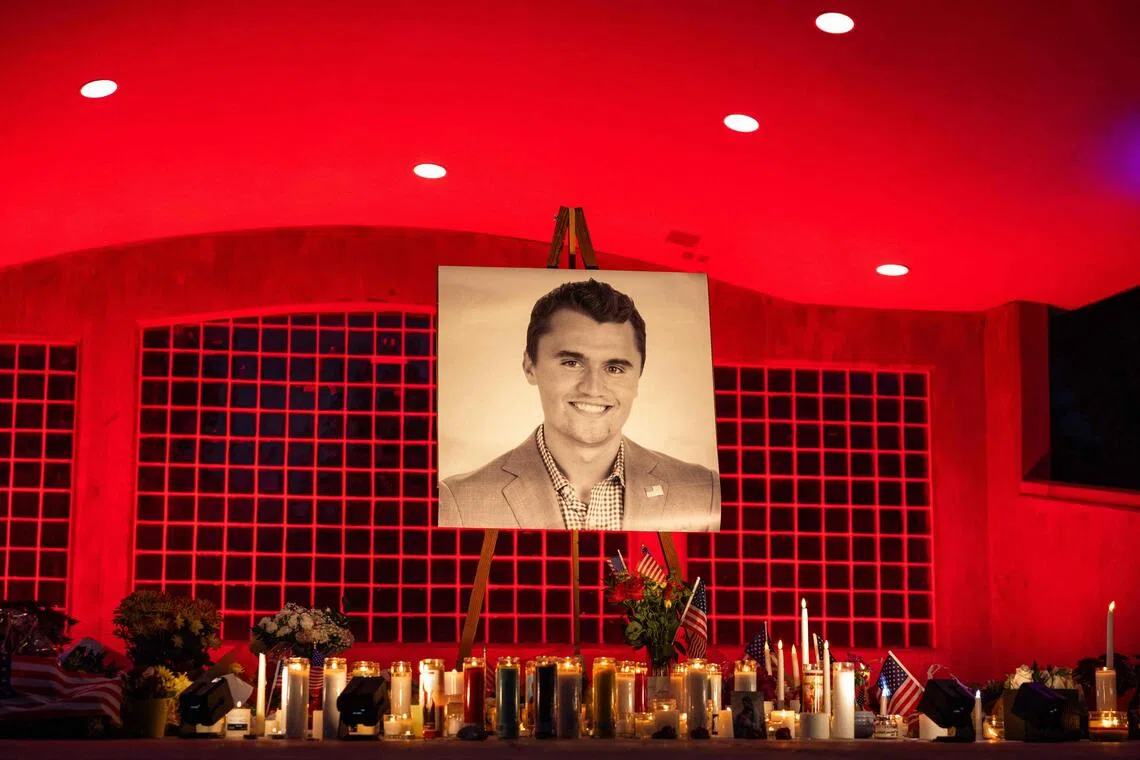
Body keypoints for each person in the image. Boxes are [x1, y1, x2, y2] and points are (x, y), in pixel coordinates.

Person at [438, 278, 720, 531]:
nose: (593, 388)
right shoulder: (458, 502)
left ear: (639, 376)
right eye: (572, 363)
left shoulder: (703, 493)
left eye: (614, 368)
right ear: (529, 366)